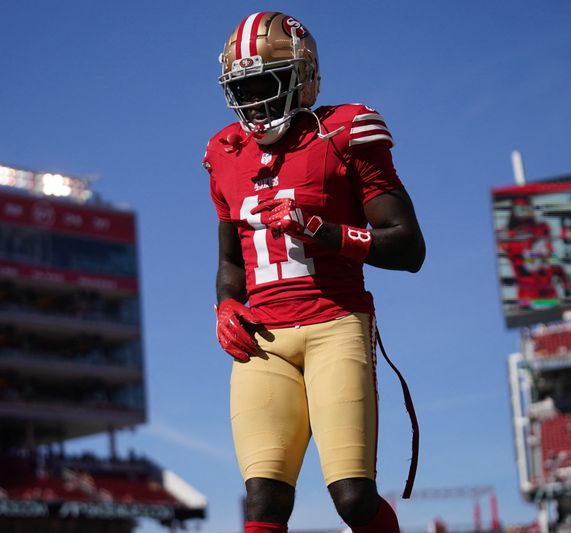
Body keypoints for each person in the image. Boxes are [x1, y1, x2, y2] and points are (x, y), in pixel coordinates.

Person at [202, 12, 425, 533]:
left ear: (302, 77)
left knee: (352, 497)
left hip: (335, 323)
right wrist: (225, 304)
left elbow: (409, 248)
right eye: (244, 86)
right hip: (263, 336)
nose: (255, 99)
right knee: (263, 502)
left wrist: (324, 231)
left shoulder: (346, 130)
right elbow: (232, 258)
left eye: (266, 83)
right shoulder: (224, 152)